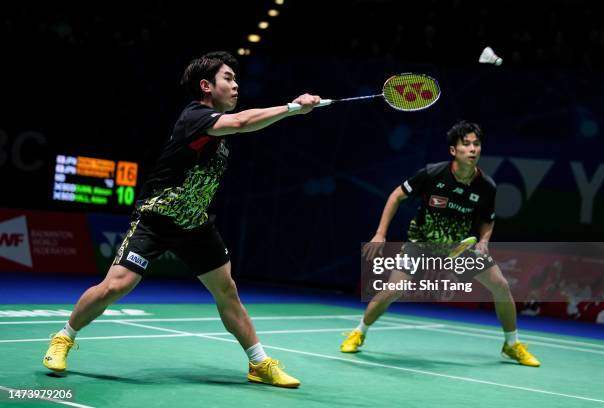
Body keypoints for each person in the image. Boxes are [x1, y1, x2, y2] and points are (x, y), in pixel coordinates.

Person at [43, 51, 321, 388]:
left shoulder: (218, 134)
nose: (236, 86)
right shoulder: (195, 116)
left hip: (194, 224)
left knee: (226, 290)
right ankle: (63, 338)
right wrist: (294, 107)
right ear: (206, 86)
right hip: (156, 218)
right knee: (117, 285)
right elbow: (244, 122)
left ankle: (259, 364)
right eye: (228, 79)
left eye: (235, 79)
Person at [340, 120, 541, 367]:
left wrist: (484, 242)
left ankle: (512, 345)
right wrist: (381, 233)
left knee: (500, 285)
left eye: (476, 144)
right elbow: (396, 196)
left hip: (458, 247)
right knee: (393, 290)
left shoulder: (486, 186)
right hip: (421, 243)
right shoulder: (433, 174)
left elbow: (488, 220)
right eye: (466, 144)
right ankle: (359, 332)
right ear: (453, 151)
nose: (472, 149)